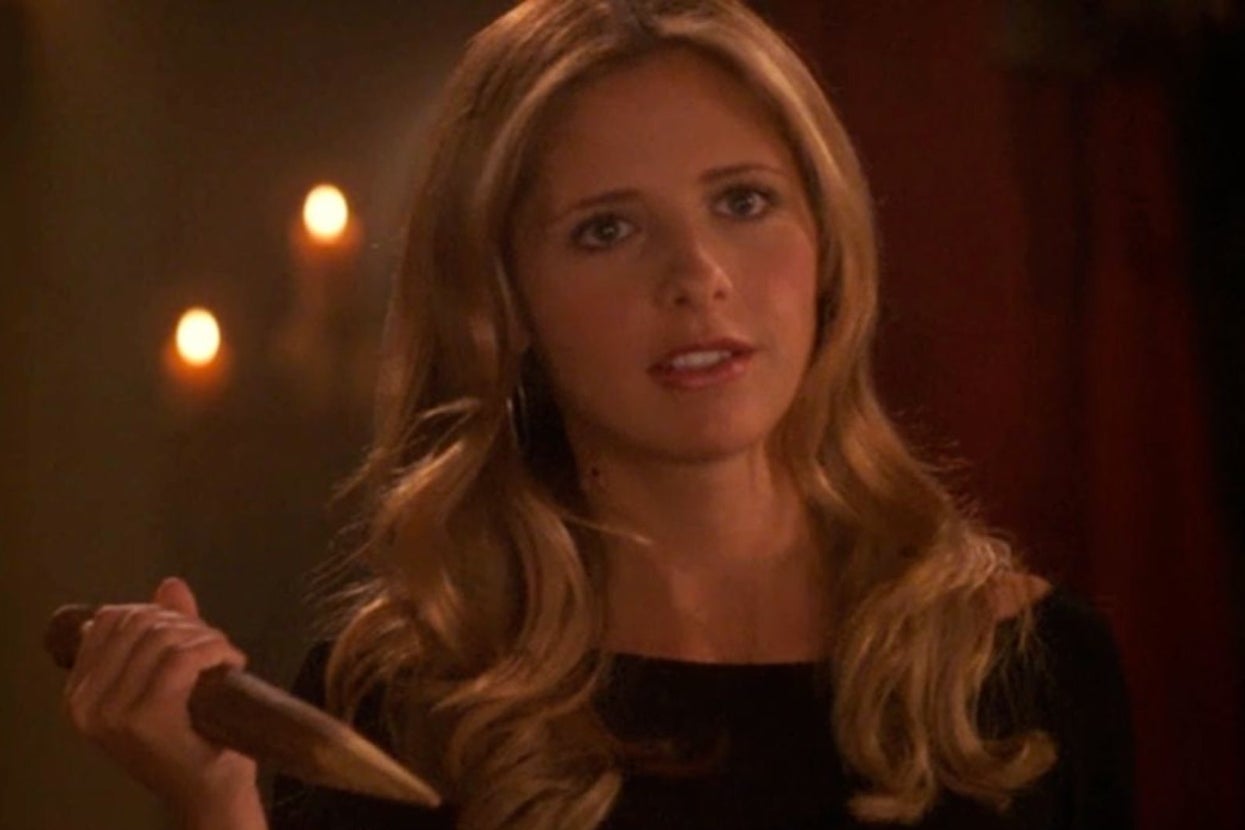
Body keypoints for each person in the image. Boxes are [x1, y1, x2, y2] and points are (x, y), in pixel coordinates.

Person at [62, 0, 1135, 828]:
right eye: (606, 230)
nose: (698, 274)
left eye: (743, 201)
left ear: (828, 243)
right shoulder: (405, 704)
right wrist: (215, 800)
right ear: (504, 303)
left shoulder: (1022, 667)